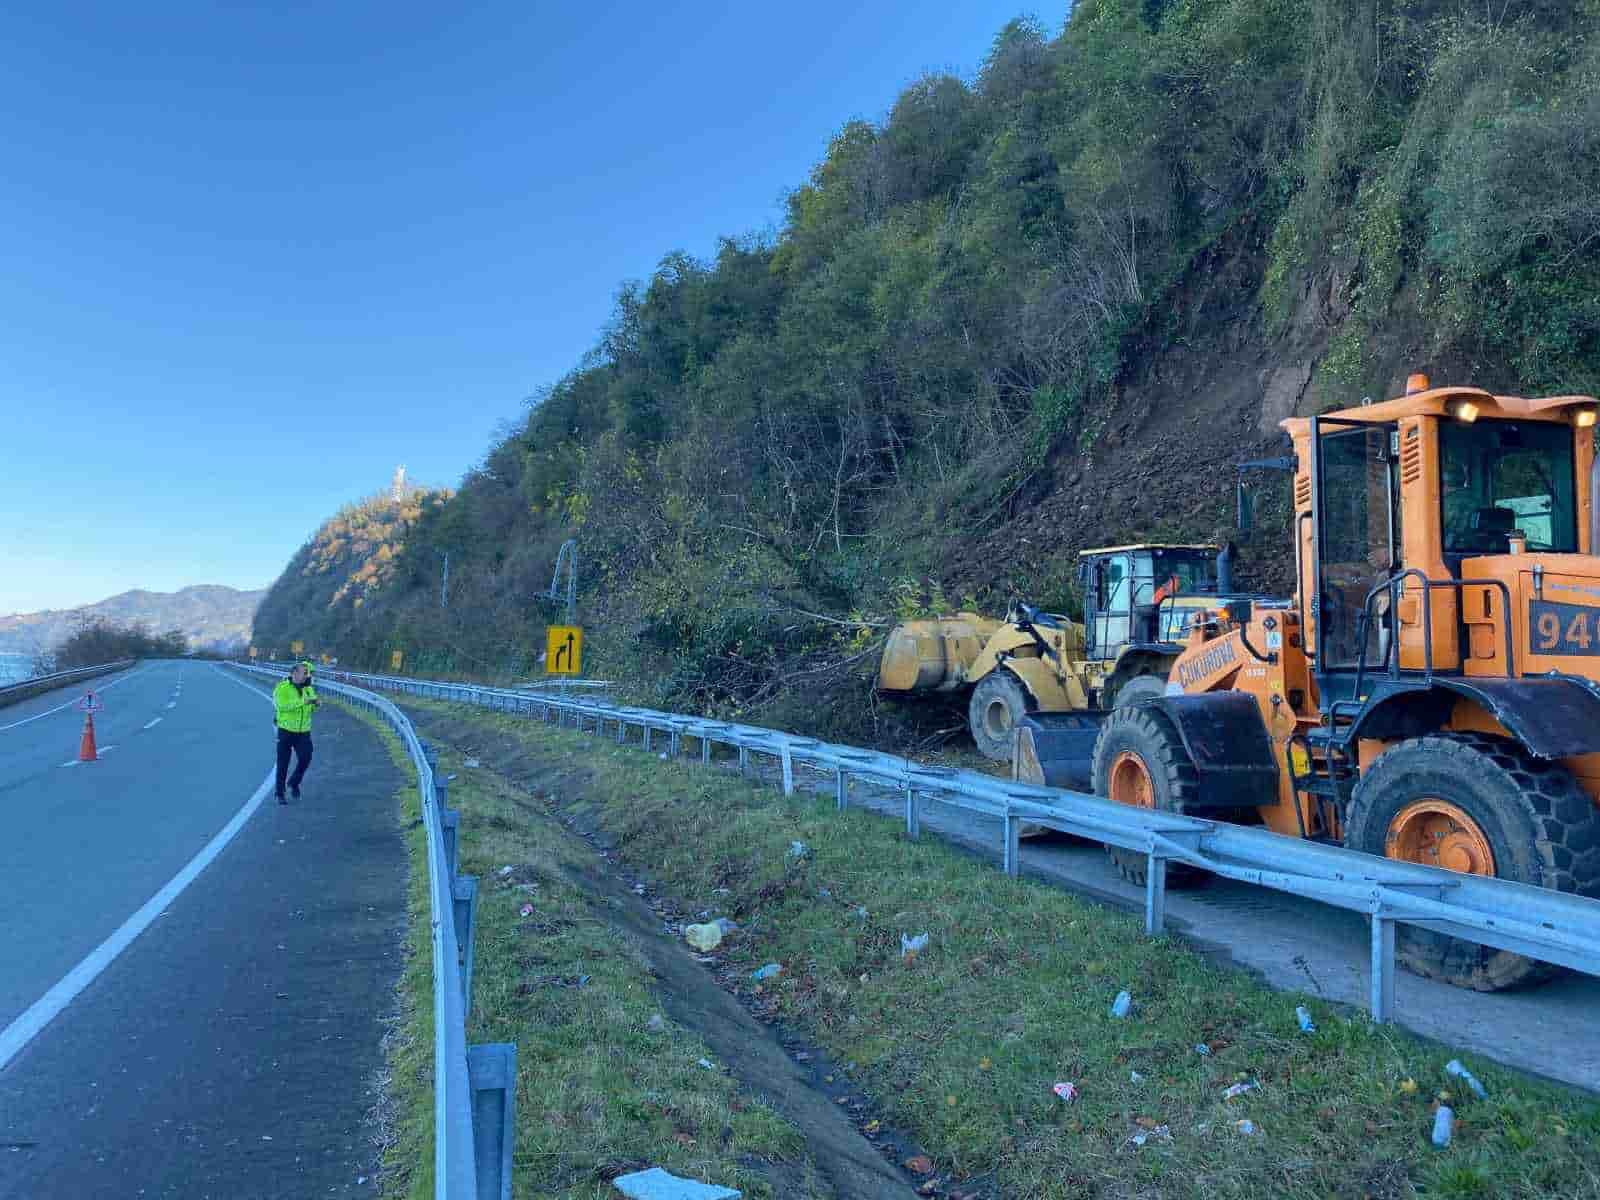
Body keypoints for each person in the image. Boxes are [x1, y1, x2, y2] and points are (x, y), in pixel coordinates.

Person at [272, 660, 319, 804]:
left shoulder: (308, 689)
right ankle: (280, 793)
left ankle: (294, 782)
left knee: (306, 758)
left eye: (307, 673)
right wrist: (302, 703)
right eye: (304, 673)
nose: (306, 676)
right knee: (283, 763)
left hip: (303, 732)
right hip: (285, 730)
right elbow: (282, 706)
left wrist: (315, 705)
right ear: (294, 673)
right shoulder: (282, 688)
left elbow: (310, 709)